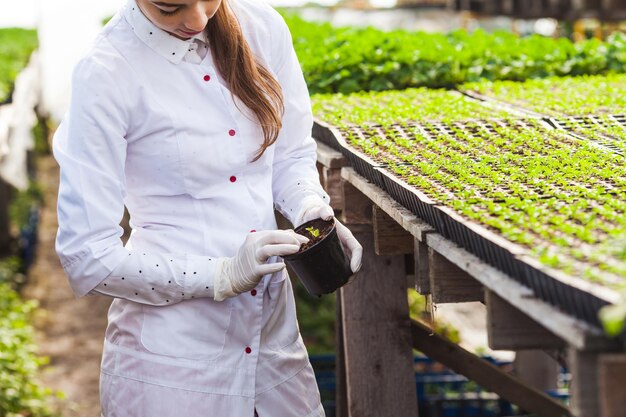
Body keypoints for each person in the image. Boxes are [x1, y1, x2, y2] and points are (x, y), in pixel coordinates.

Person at [52, 0, 363, 415]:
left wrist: (310, 207)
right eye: (170, 8)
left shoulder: (262, 27)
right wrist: (221, 274)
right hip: (173, 365)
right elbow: (86, 257)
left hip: (274, 347)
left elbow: (288, 156)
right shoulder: (108, 70)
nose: (197, 20)